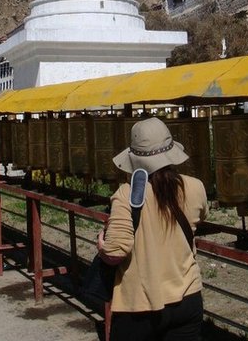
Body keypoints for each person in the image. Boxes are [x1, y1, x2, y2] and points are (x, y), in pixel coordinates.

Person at [97, 117, 209, 341]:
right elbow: (200, 217)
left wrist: (101, 244)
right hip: (188, 297)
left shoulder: (126, 194)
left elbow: (115, 251)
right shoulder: (195, 187)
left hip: (140, 306)